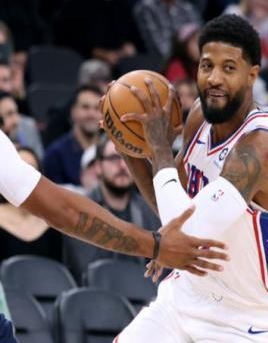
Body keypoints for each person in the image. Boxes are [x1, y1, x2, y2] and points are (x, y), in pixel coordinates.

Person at [114, 14, 268, 342]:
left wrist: (160, 150)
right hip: (184, 297)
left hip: (247, 321)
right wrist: (127, 146)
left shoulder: (263, 149)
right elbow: (170, 208)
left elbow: (188, 234)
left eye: (228, 68)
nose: (214, 78)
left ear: (251, 75)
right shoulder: (200, 117)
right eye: (206, 66)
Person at [0, 127, 227, 279]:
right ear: (97, 166)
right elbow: (66, 212)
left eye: (122, 158)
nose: (119, 166)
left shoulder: (143, 208)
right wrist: (157, 246)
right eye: (112, 158)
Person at [63, 134, 160, 282]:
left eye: (128, 159)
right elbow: (85, 271)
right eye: (114, 158)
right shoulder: (82, 210)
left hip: (146, 292)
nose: (122, 165)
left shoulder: (150, 210)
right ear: (98, 167)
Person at [43, 85, 102, 185]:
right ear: (73, 111)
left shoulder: (113, 151)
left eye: (97, 108)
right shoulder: (55, 155)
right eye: (85, 107)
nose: (91, 114)